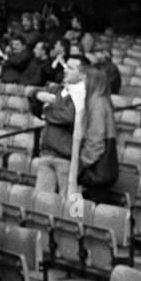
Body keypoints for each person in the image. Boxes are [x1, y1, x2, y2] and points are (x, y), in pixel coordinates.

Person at [32, 51, 87, 194]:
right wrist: (37, 95)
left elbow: (69, 116)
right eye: (66, 66)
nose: (65, 70)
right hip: (46, 153)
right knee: (42, 203)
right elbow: (34, 102)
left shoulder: (82, 94)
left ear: (82, 75)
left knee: (71, 207)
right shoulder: (56, 89)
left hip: (68, 158)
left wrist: (47, 111)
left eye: (71, 68)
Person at [77, 66, 119, 201]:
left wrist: (79, 165)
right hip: (100, 169)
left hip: (95, 168)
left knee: (82, 213)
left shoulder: (97, 103)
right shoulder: (102, 101)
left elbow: (96, 141)